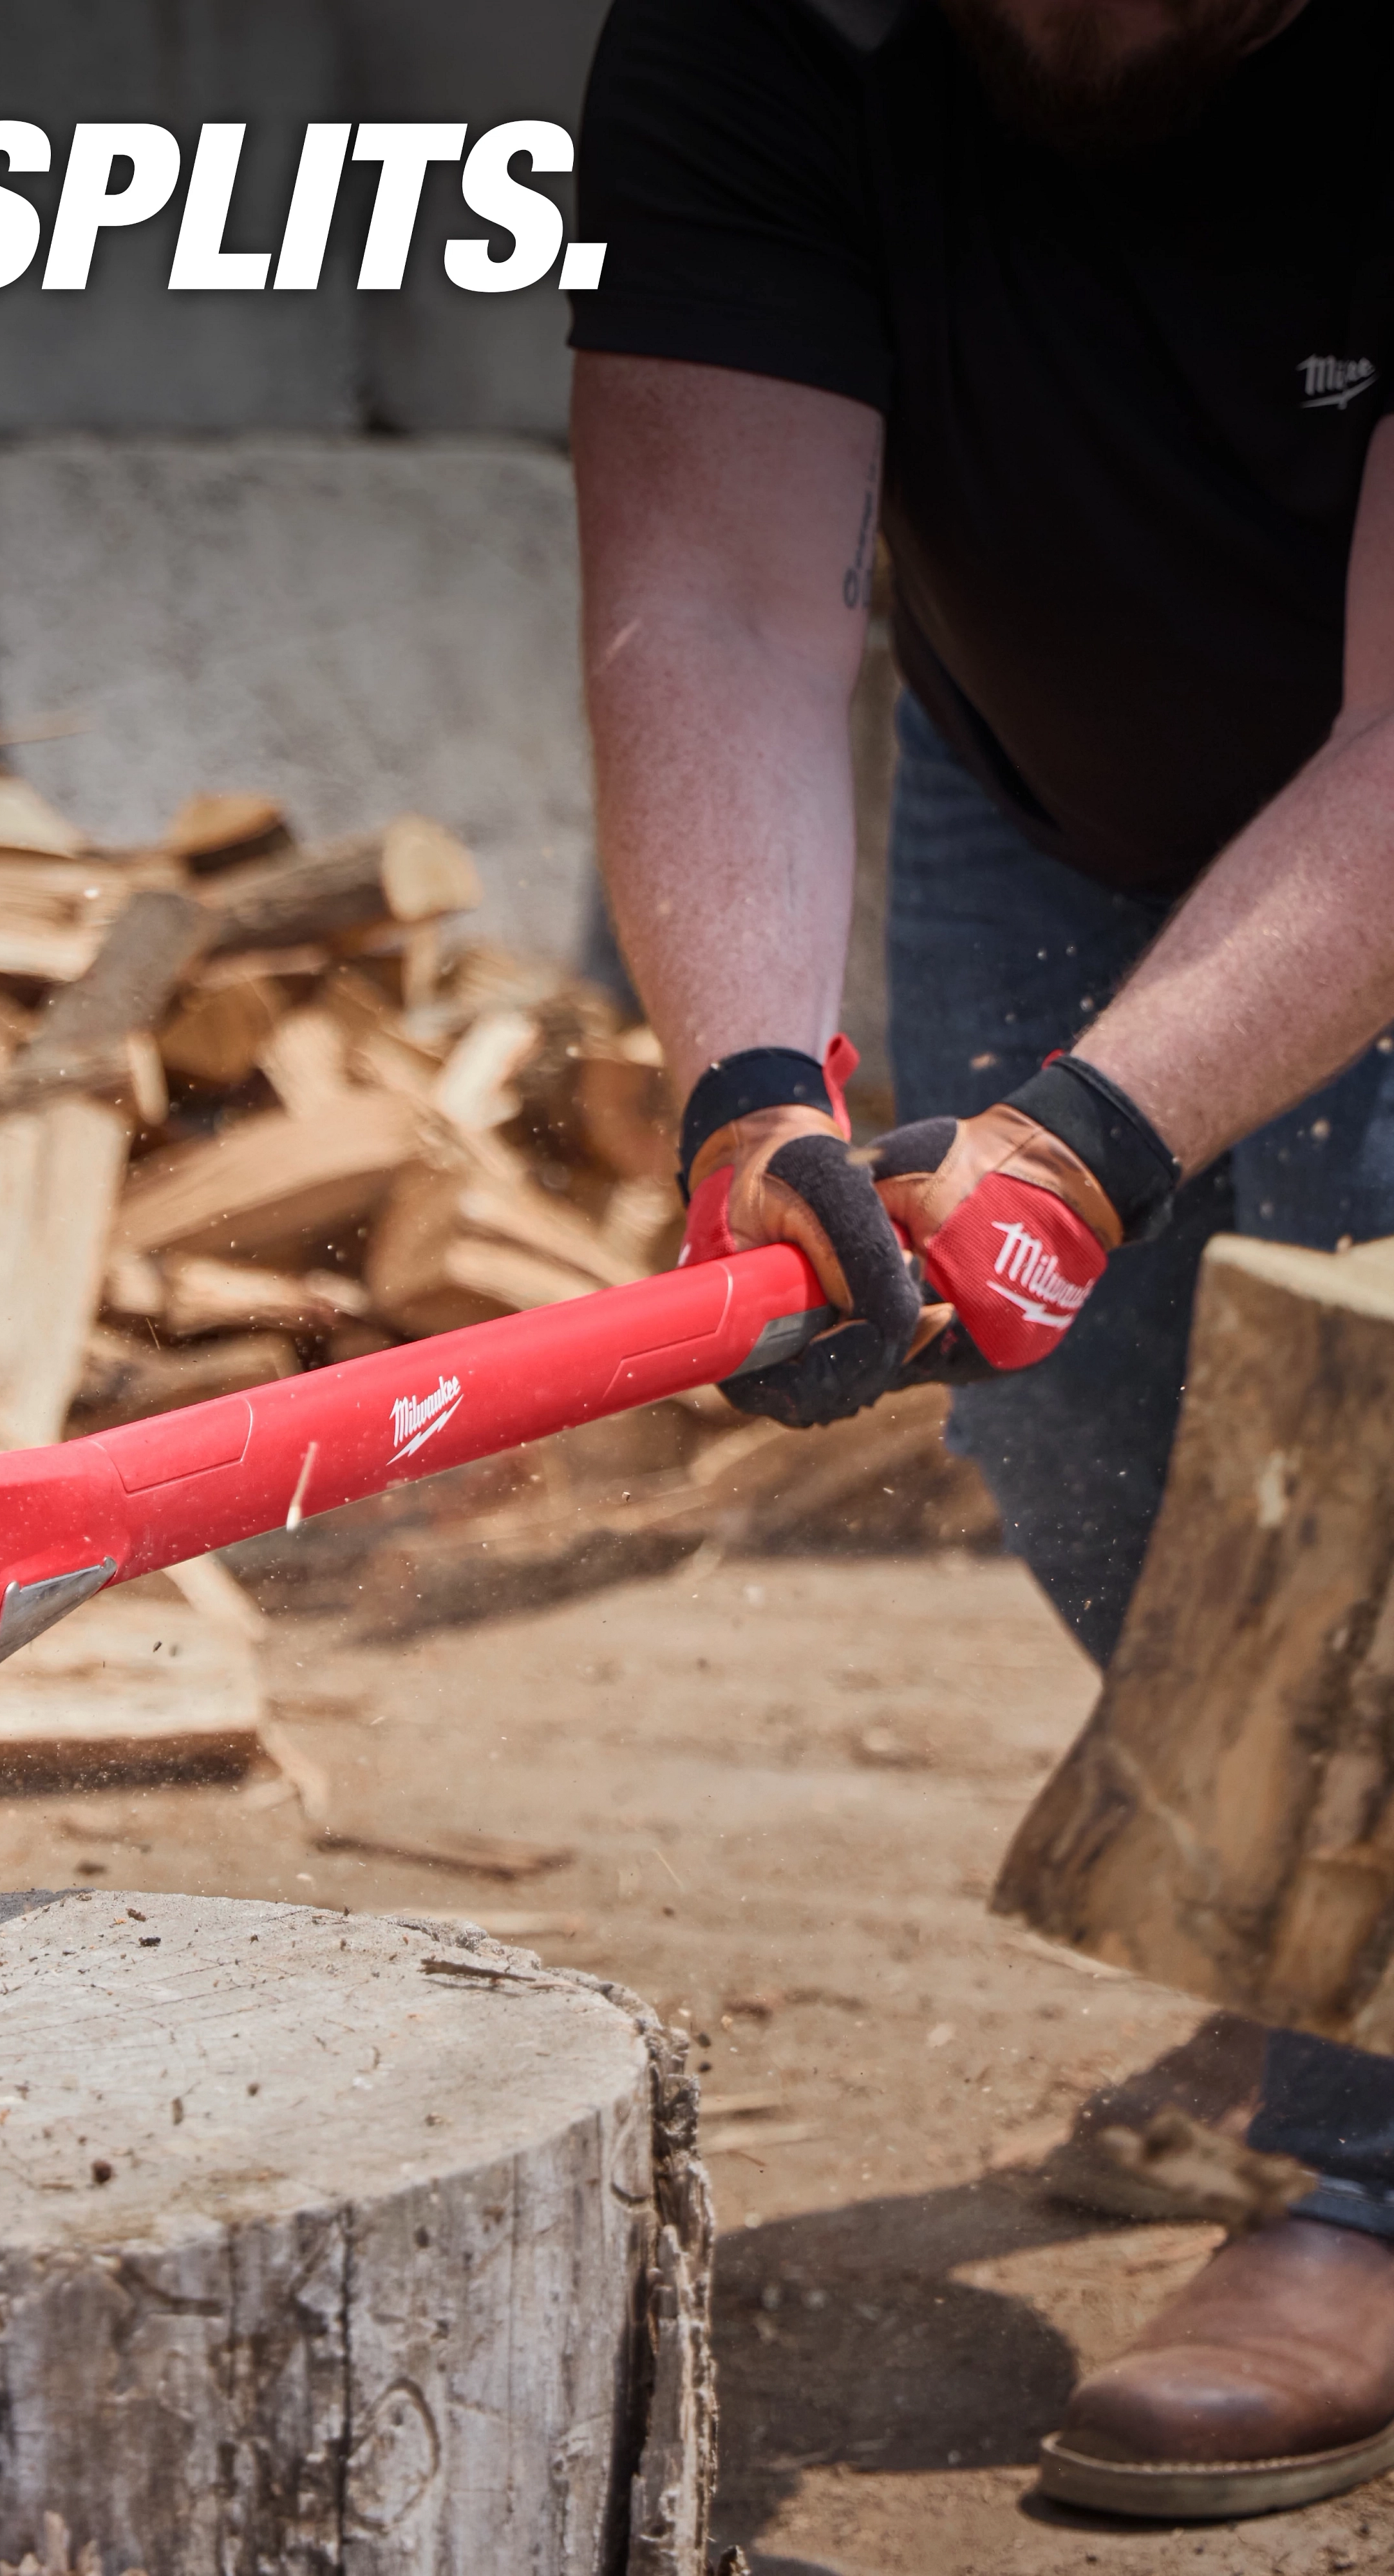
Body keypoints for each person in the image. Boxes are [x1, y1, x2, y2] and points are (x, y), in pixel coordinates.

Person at [568, 0, 1394, 2523]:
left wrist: (1079, 1141)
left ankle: (1366, 2169)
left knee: (1351, 1466)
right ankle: (1336, 1957)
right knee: (1068, 1427)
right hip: (1041, 774)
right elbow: (710, 607)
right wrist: (749, 1102)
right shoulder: (758, 31)